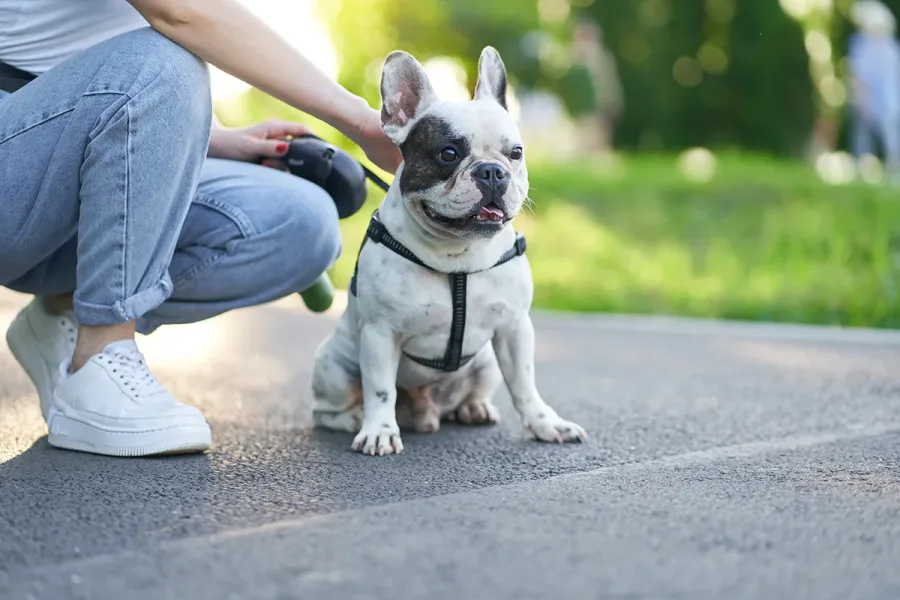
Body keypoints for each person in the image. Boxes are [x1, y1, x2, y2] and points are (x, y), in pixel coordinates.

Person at [0, 0, 402, 457]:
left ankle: (64, 310)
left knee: (302, 222)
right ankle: (100, 358)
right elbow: (182, 13)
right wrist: (365, 122)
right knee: (165, 61)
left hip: (64, 133)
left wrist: (211, 138)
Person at [847, 0, 900, 176]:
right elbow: (858, 74)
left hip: (889, 99)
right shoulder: (861, 45)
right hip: (868, 98)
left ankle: (893, 170)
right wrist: (861, 97)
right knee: (863, 137)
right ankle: (861, 171)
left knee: (891, 138)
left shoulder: (891, 47)